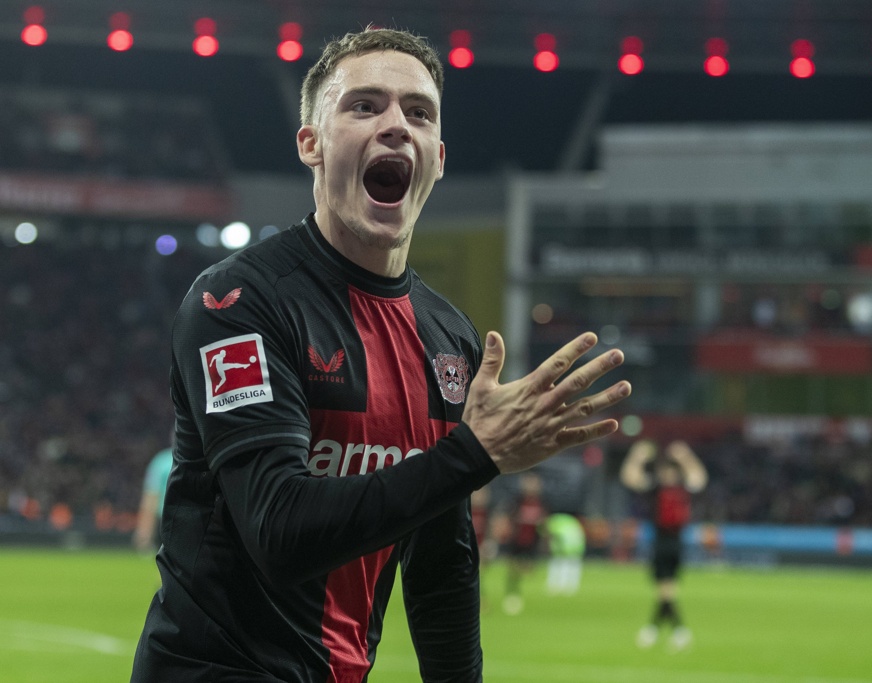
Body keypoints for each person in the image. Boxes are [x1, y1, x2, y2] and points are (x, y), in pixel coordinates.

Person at [131, 27, 630, 683]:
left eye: (418, 112)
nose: (396, 124)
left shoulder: (449, 337)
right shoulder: (238, 303)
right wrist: (473, 454)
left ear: (438, 158)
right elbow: (279, 531)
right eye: (364, 106)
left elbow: (441, 564)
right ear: (311, 143)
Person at [620, 438, 707, 652]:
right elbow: (629, 478)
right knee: (666, 593)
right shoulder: (658, 489)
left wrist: (685, 456)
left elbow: (699, 478)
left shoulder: (678, 489)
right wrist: (637, 457)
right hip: (662, 543)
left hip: (672, 544)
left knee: (666, 592)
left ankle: (668, 631)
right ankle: (663, 631)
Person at [500, 471, 547, 614]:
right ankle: (513, 595)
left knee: (529, 570)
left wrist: (544, 537)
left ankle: (529, 600)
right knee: (514, 570)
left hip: (532, 542)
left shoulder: (542, 502)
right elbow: (508, 519)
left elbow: (544, 522)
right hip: (517, 541)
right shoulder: (517, 501)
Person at [132, 438, 174, 552]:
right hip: (189, 517)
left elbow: (150, 498)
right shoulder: (198, 460)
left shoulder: (161, 461)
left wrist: (143, 532)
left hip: (164, 519)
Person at [544, 512, 586, 595]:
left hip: (564, 550)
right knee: (571, 568)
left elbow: (556, 536)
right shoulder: (573, 524)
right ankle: (568, 586)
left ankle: (558, 586)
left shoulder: (557, 523)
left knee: (559, 567)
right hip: (575, 549)